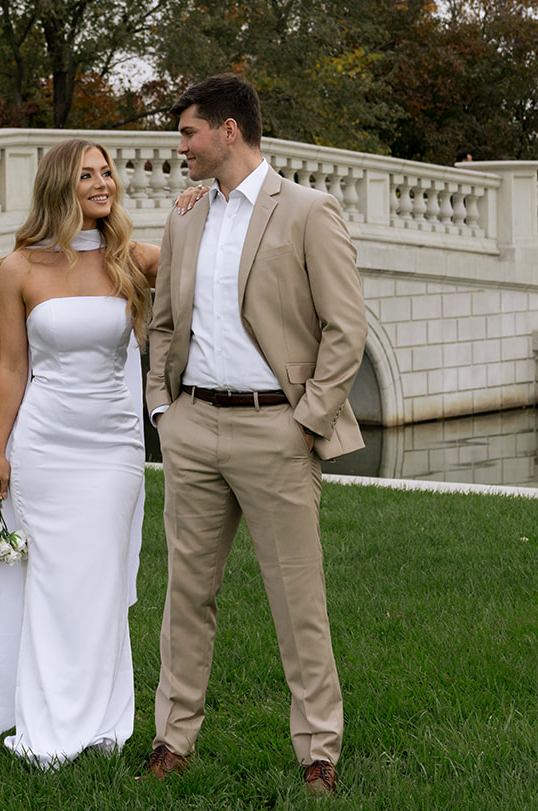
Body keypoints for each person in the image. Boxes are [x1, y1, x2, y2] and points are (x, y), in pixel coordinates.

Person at [143, 74, 367, 797]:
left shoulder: (307, 211)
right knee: (186, 596)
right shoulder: (185, 215)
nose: (179, 146)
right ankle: (173, 740)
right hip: (192, 425)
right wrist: (161, 411)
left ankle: (318, 751)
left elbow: (346, 330)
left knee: (297, 600)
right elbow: (164, 323)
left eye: (188, 133)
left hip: (277, 428)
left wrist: (306, 422)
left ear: (228, 131)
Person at [0, 138, 190, 768]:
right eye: (87, 175)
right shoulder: (16, 269)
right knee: (51, 583)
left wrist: (202, 203)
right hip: (44, 445)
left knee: (99, 582)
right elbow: (12, 368)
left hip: (113, 448)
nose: (103, 183)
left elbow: (210, 258)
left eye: (107, 173)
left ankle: (104, 722)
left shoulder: (131, 258)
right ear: (61, 187)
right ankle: (46, 722)